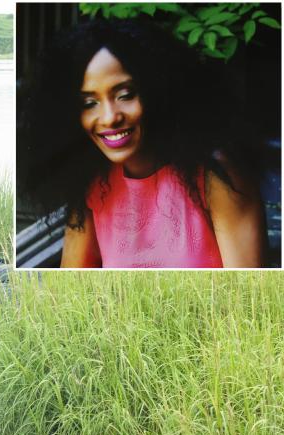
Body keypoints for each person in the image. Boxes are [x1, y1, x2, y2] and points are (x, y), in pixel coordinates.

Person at [17, 19, 266, 268]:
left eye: (125, 95)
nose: (109, 117)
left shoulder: (217, 176)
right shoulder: (92, 184)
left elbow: (248, 298)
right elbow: (66, 294)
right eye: (89, 103)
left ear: (157, 89)